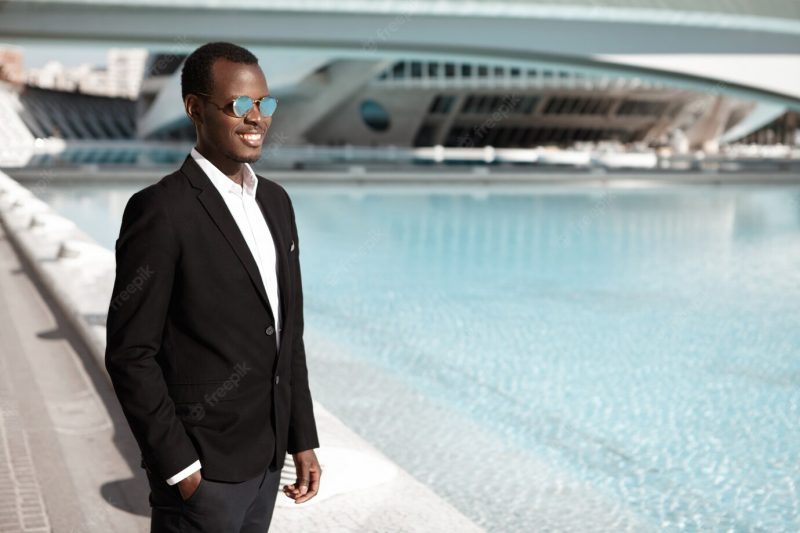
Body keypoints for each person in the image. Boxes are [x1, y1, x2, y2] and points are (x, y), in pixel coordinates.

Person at [104, 42, 322, 532]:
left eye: (265, 104)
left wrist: (301, 437)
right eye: (240, 105)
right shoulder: (160, 211)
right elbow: (129, 353)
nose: (257, 119)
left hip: (267, 467)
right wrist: (181, 469)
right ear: (194, 109)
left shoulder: (277, 203)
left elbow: (288, 335)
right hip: (203, 475)